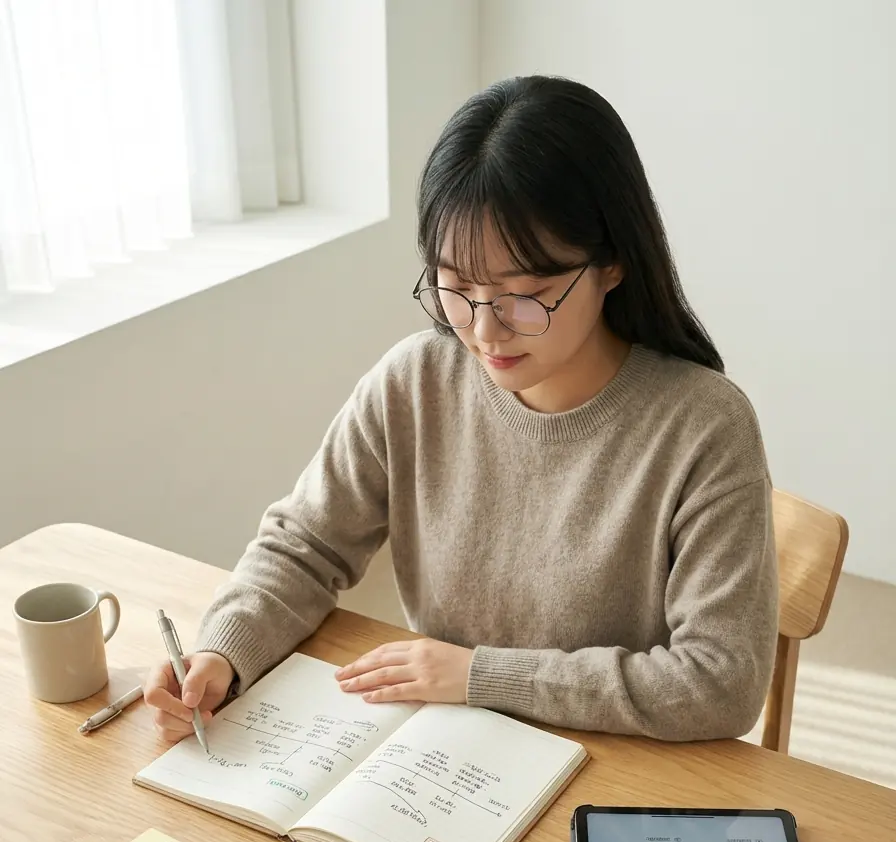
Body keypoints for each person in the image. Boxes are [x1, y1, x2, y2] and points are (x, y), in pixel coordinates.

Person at [144, 75, 778, 745]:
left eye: (524, 294)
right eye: (454, 284)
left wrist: (481, 676)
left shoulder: (705, 427)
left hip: (621, 764)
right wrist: (222, 653)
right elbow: (305, 545)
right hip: (445, 754)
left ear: (613, 262)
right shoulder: (415, 382)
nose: (484, 330)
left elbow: (720, 683)